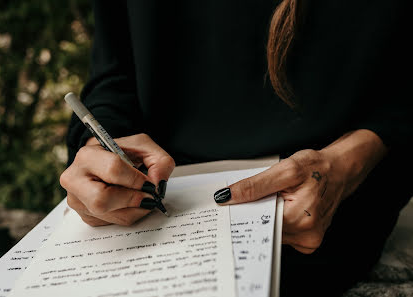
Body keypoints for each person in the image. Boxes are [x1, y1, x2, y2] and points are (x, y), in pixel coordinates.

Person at [60, 1, 412, 296]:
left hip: (323, 221)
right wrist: (102, 147)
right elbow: (114, 71)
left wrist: (346, 164)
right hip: (141, 221)